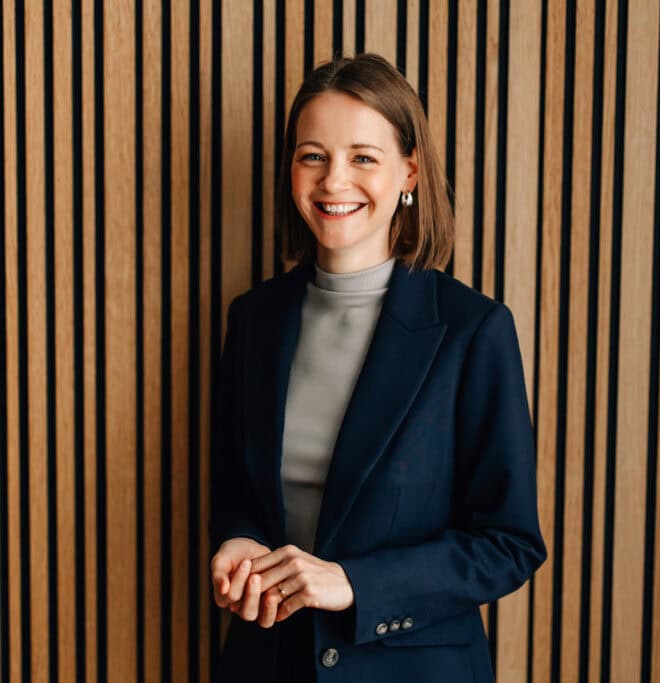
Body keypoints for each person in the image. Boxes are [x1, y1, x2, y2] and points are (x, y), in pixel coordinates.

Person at [209, 53, 546, 682]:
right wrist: (237, 542)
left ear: (409, 171)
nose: (335, 181)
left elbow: (509, 544)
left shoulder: (474, 331)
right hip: (267, 665)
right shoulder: (253, 320)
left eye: (363, 157)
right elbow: (235, 492)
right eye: (314, 155)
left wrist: (353, 584)